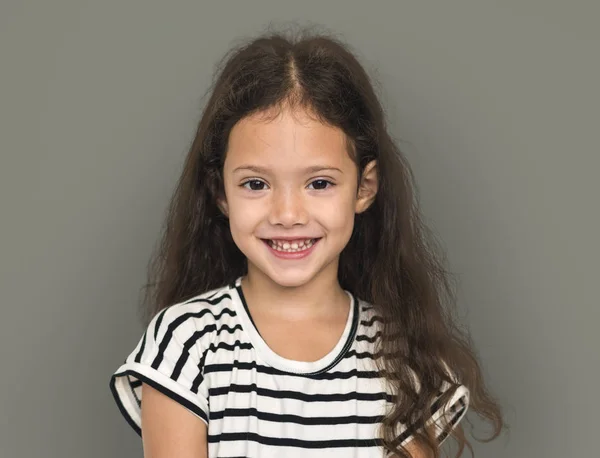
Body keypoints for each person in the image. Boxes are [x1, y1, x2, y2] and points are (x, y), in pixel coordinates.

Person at [109, 28, 505, 458]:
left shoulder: (402, 359)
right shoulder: (186, 345)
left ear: (364, 188)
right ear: (220, 192)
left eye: (318, 183)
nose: (287, 214)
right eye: (256, 183)